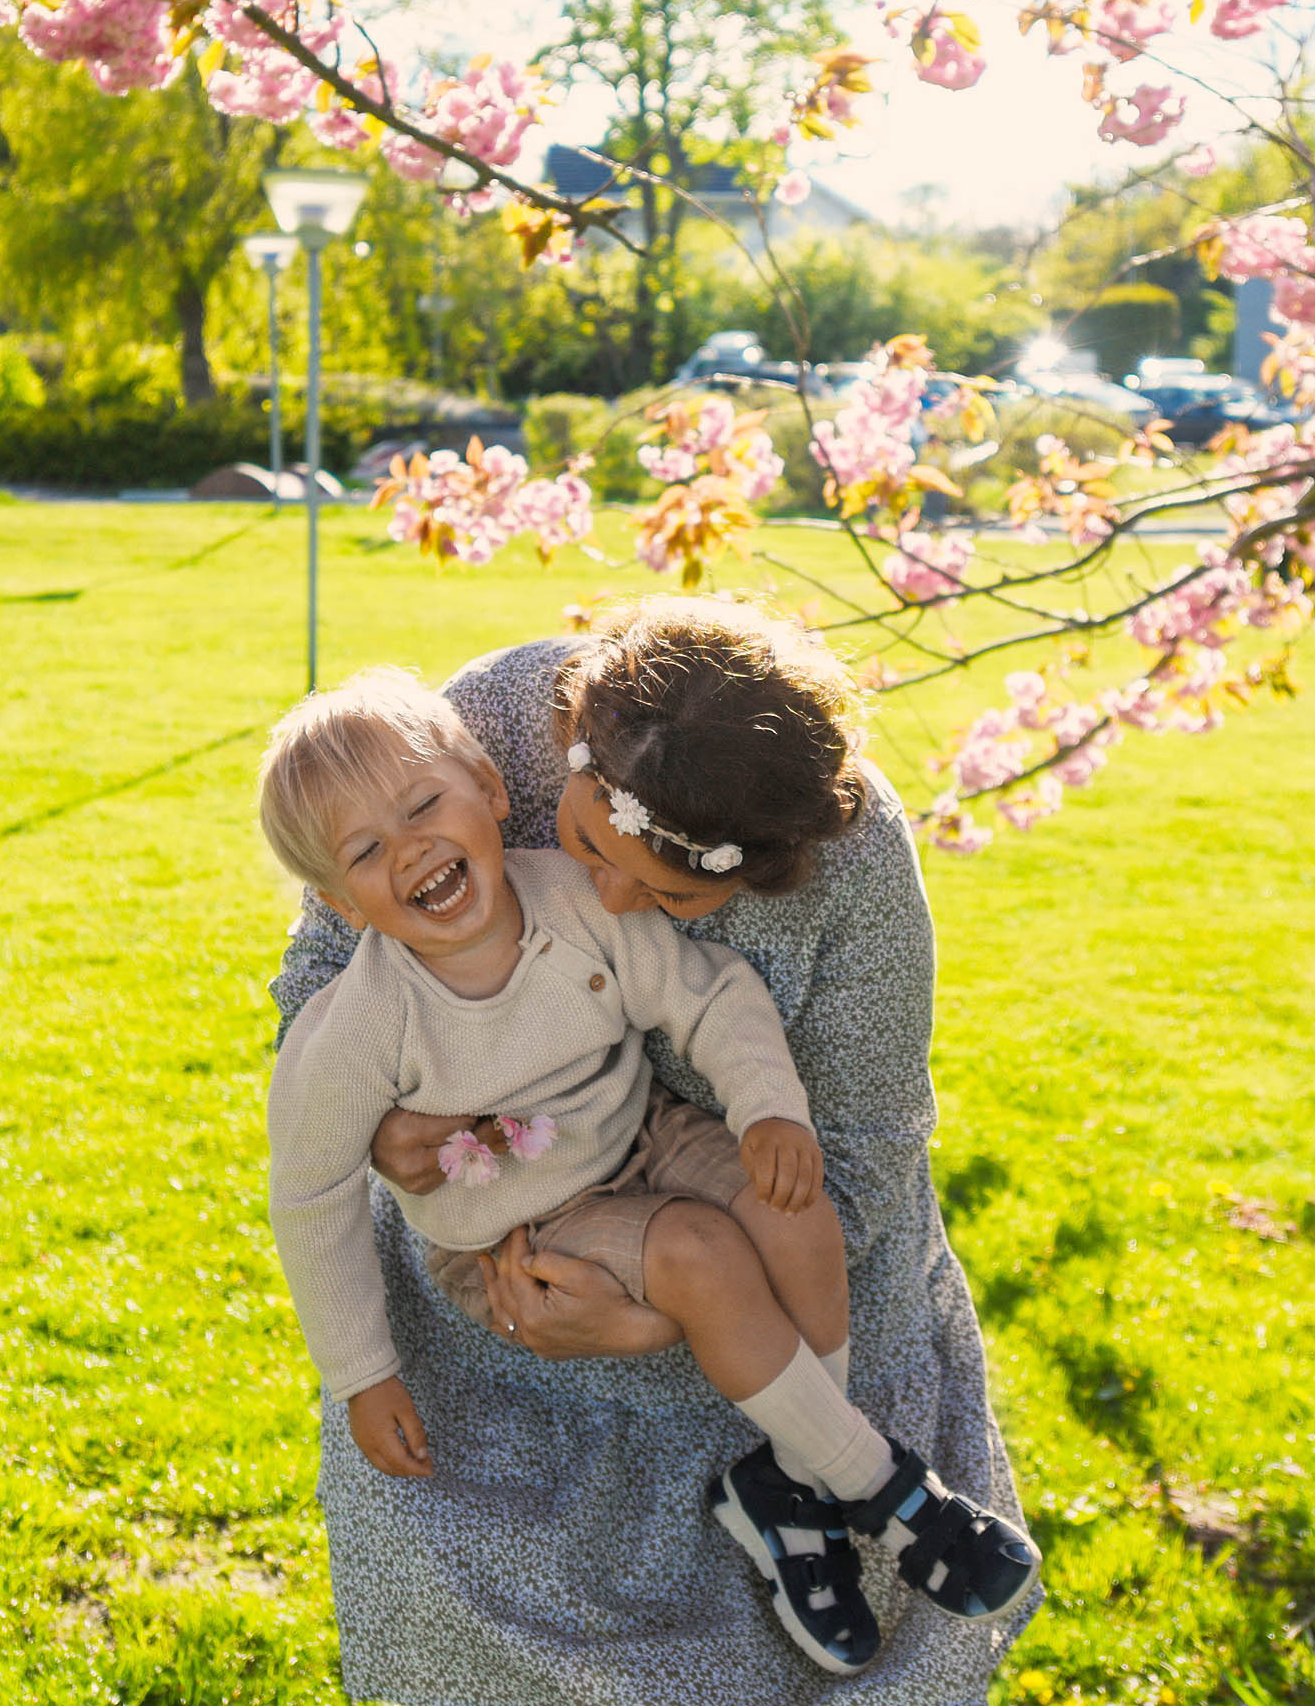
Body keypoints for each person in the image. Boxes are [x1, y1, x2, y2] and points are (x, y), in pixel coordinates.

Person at [271, 596, 1038, 1706]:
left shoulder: (831, 861)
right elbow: (310, 1179)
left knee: (794, 1197)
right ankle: (875, 1482)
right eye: (586, 845)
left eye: (672, 895)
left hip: (657, 1156)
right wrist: (361, 1365)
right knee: (694, 1249)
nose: (616, 900)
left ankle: (799, 1477)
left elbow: (719, 1002)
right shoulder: (460, 758)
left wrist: (770, 1118)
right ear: (542, 769)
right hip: (526, 1229)